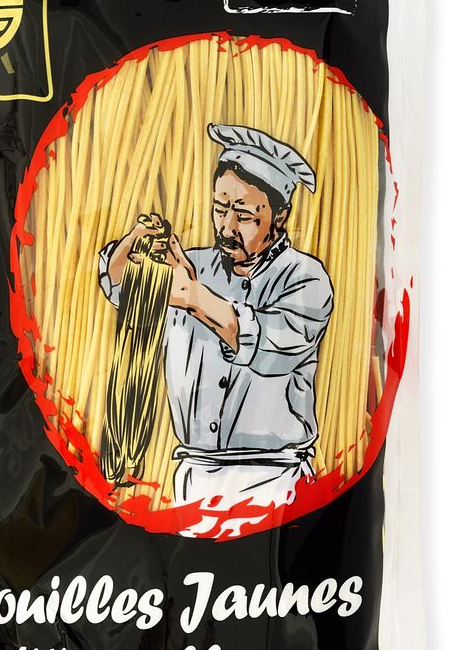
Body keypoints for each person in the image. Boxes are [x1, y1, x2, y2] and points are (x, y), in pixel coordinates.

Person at [98, 123, 334, 522]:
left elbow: (272, 347)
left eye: (244, 215)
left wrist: (194, 297)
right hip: (193, 479)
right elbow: (120, 286)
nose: (226, 227)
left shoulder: (305, 278)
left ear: (280, 217)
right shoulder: (193, 266)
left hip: (275, 480)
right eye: (220, 209)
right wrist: (136, 240)